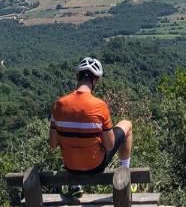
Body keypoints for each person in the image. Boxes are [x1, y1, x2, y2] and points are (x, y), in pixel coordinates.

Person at [49, 57, 133, 185]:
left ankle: (76, 186)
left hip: (70, 167)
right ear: (96, 80)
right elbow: (110, 145)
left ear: (78, 76)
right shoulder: (99, 105)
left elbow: (53, 143)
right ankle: (125, 172)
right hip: (95, 166)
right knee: (127, 124)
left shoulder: (59, 105)